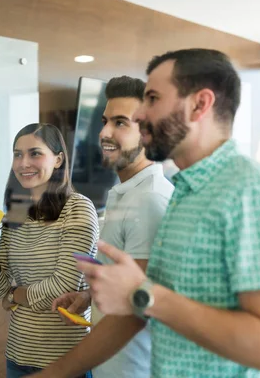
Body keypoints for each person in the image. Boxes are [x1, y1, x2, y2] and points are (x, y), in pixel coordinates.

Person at [77, 49, 260, 378]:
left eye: (153, 99)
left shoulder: (251, 193)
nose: (141, 115)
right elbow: (147, 307)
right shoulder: (187, 192)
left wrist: (143, 294)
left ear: (200, 105)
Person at [32, 76, 173, 378]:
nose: (104, 132)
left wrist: (56, 372)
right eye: (106, 120)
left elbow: (140, 309)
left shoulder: (150, 200)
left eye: (121, 123)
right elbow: (129, 288)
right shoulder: (127, 193)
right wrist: (88, 298)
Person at [0, 123, 99, 378]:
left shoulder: (78, 209)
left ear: (58, 159)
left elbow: (60, 291)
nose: (24, 163)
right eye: (17, 154)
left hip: (66, 361)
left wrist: (15, 296)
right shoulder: (17, 212)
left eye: (35, 153)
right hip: (18, 355)